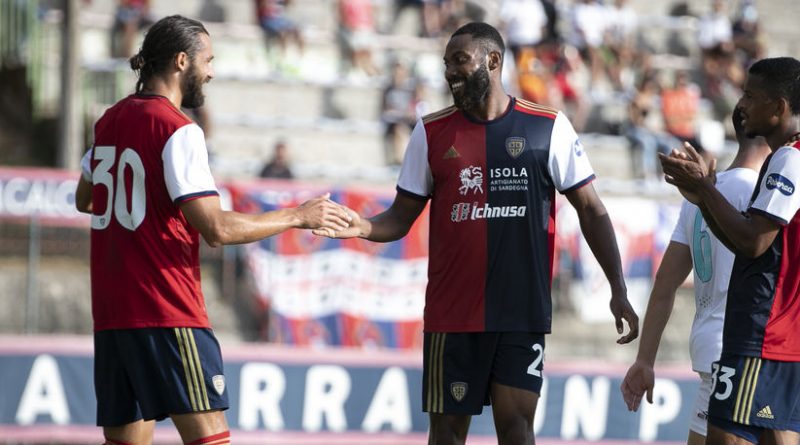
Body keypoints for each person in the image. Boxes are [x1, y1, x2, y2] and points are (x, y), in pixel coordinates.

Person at [316, 22, 639, 444]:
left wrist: (617, 286)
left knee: (517, 430)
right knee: (447, 435)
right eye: (446, 63)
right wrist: (362, 225)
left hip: (521, 313)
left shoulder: (548, 128)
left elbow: (592, 211)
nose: (450, 71)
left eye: (459, 61)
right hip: (452, 316)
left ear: (493, 60)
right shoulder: (430, 133)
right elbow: (401, 215)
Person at [74, 15, 350, 445]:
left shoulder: (108, 121)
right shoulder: (178, 130)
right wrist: (300, 215)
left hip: (114, 317)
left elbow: (85, 199)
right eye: (208, 60)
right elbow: (217, 229)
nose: (212, 71)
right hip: (168, 310)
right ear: (182, 61)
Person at [659, 56, 800, 445]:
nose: (741, 104)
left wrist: (705, 189)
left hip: (761, 337)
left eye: (751, 96)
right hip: (781, 338)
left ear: (779, 108)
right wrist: (703, 196)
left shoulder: (788, 159)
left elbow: (753, 242)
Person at [620, 106, 770, 445]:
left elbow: (664, 284)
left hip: (708, 351)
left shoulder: (700, 196)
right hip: (745, 354)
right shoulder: (764, 196)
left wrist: (645, 359)